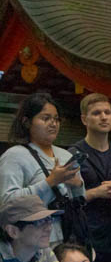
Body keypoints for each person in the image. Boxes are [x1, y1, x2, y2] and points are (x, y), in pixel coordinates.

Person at [0, 92, 86, 247]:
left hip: (68, 237)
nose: (53, 124)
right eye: (45, 118)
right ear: (27, 122)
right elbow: (7, 202)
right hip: (31, 242)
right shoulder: (15, 156)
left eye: (56, 119)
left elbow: (80, 200)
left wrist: (78, 186)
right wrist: (50, 182)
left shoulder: (66, 155)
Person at [72, 93, 111, 262]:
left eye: (107, 112)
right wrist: (96, 192)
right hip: (85, 235)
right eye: (97, 113)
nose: (104, 117)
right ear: (84, 119)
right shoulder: (73, 154)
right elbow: (65, 199)